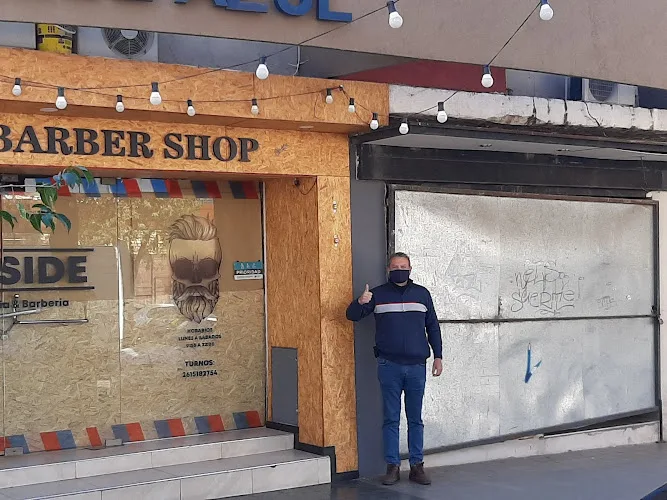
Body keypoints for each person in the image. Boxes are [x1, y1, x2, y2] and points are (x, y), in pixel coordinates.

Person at [346, 252, 443, 486]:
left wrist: (438, 356)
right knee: (391, 418)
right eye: (395, 267)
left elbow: (433, 326)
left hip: (417, 366)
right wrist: (360, 302)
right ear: (388, 269)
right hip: (389, 365)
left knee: (415, 419)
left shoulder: (422, 294)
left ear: (410, 269)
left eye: (403, 266)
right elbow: (352, 316)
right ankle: (392, 467)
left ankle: (417, 466)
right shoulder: (377, 295)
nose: (399, 270)